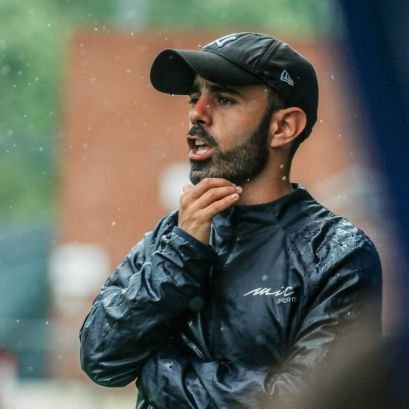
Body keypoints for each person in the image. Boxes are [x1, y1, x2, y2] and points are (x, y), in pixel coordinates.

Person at [79, 32, 382, 408]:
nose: (196, 113)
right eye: (195, 98)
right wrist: (182, 253)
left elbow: (309, 400)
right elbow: (101, 359)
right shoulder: (175, 234)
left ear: (283, 127)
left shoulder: (337, 255)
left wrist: (163, 375)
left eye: (223, 99)